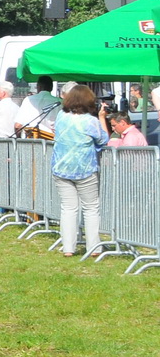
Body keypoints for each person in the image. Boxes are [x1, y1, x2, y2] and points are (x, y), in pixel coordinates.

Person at [51, 84, 109, 257]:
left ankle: (68, 248)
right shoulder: (89, 121)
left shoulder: (61, 116)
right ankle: (94, 248)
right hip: (84, 169)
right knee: (90, 208)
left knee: (68, 208)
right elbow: (103, 139)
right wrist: (101, 118)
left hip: (61, 167)